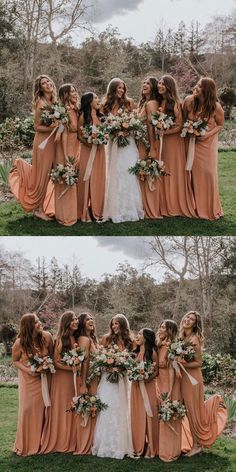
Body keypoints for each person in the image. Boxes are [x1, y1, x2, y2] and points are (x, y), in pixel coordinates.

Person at [179, 311, 227, 457]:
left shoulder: (194, 339)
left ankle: (197, 445)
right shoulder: (181, 338)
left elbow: (198, 363)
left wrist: (181, 364)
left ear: (195, 324)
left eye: (191, 319)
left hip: (192, 378)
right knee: (185, 409)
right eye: (187, 317)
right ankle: (187, 441)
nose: (187, 320)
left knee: (192, 410)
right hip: (182, 377)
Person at [9, 75, 57, 221]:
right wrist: (54, 128)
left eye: (48, 81)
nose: (47, 84)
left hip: (53, 141)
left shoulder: (54, 101)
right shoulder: (41, 103)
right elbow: (37, 127)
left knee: (51, 173)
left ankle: (50, 206)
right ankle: (39, 209)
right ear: (40, 88)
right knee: (43, 174)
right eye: (44, 83)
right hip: (43, 142)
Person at [92, 314, 134, 459]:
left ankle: (121, 444)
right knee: (107, 408)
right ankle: (105, 444)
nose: (114, 326)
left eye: (117, 324)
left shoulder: (130, 342)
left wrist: (122, 368)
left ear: (123, 325)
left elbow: (132, 362)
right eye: (113, 324)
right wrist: (109, 368)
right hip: (108, 380)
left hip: (122, 380)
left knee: (121, 409)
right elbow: (99, 359)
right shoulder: (106, 339)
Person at [102, 78, 144, 223]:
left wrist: (127, 131)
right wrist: (113, 131)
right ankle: (115, 207)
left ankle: (130, 208)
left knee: (128, 171)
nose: (121, 90)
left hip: (128, 143)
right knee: (114, 172)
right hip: (113, 144)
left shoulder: (129, 102)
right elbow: (103, 125)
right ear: (112, 89)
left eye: (123, 88)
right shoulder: (105, 106)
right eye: (119, 88)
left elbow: (136, 122)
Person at [40, 311, 82, 454]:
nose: (76, 321)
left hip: (72, 378)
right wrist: (72, 368)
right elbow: (56, 363)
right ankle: (60, 439)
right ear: (66, 323)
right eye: (72, 320)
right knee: (63, 407)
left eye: (76, 319)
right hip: (62, 378)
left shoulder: (74, 338)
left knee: (72, 406)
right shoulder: (60, 339)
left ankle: (71, 438)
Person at [182, 77, 224, 220]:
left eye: (199, 86)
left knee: (208, 174)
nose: (196, 87)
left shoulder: (215, 107)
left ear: (207, 90)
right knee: (192, 175)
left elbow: (220, 124)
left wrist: (207, 135)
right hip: (191, 142)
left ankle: (209, 208)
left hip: (206, 145)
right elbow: (183, 120)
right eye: (197, 85)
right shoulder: (188, 101)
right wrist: (188, 129)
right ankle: (194, 207)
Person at [12, 313, 53, 456]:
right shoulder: (20, 343)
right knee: (27, 410)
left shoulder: (47, 337)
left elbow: (51, 356)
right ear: (29, 326)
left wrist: (46, 365)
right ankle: (26, 444)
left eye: (39, 321)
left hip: (44, 379)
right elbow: (15, 360)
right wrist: (28, 370)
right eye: (36, 322)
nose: (39, 323)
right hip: (29, 381)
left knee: (43, 411)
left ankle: (41, 443)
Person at [155, 75, 196, 217]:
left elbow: (179, 126)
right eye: (159, 83)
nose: (159, 85)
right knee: (163, 169)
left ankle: (175, 204)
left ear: (169, 87)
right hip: (162, 141)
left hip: (173, 142)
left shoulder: (175, 104)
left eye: (163, 84)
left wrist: (164, 132)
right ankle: (163, 203)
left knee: (173, 170)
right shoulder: (161, 102)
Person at [45, 83, 80, 225]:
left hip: (75, 146)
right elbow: (64, 134)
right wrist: (65, 154)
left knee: (72, 177)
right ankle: (65, 215)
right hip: (65, 148)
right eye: (72, 91)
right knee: (65, 176)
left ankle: (73, 211)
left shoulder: (75, 109)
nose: (75, 93)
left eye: (75, 91)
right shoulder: (64, 111)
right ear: (65, 95)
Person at [156, 319, 182, 462]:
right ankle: (162, 447)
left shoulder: (171, 347)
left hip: (170, 384)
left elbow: (172, 370)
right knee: (162, 415)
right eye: (160, 327)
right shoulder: (159, 346)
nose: (160, 330)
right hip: (160, 383)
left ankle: (170, 450)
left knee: (169, 414)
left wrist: (171, 391)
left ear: (170, 331)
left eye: (164, 328)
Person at [77, 92, 106, 222]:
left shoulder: (101, 116)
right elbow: (80, 136)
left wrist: (101, 140)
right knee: (86, 179)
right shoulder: (83, 116)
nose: (98, 100)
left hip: (100, 152)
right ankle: (84, 211)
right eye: (95, 98)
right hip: (87, 151)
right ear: (89, 102)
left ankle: (96, 209)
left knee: (98, 179)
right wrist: (90, 143)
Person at [130, 328, 159, 458]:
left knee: (149, 416)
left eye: (140, 334)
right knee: (137, 415)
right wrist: (134, 376)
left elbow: (156, 372)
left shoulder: (152, 353)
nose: (137, 336)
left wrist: (146, 378)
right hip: (135, 388)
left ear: (146, 338)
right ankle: (138, 445)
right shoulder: (133, 353)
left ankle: (151, 447)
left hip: (148, 387)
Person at [137, 77, 162, 219]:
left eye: (148, 83)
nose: (145, 84)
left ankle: (151, 208)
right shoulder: (143, 102)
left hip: (147, 143)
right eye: (144, 82)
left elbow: (152, 126)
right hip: (141, 142)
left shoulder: (151, 103)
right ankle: (143, 205)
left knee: (148, 173)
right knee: (142, 172)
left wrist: (152, 147)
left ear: (153, 88)